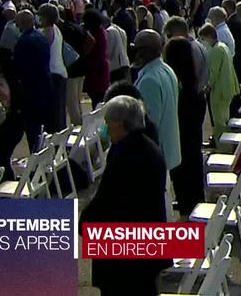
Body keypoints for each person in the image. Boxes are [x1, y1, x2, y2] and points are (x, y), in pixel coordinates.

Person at [79, 95, 170, 295]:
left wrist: (84, 222)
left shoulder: (123, 152)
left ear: (120, 125)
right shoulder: (151, 147)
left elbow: (107, 199)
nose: (106, 128)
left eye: (108, 123)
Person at [133, 29, 181, 214]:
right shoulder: (166, 70)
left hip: (155, 153)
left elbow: (148, 125)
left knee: (158, 207)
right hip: (167, 148)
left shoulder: (149, 80)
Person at [162, 37, 205, 216]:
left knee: (183, 175)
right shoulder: (193, 85)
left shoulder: (177, 87)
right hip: (193, 140)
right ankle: (194, 202)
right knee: (194, 167)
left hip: (181, 141)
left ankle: (188, 209)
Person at [12, 10, 53, 151]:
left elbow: (21, 70)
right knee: (44, 128)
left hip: (31, 90)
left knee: (33, 130)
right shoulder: (41, 37)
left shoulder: (23, 42)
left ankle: (36, 161)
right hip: (46, 85)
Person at [198, 24, 240, 143]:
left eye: (203, 39)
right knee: (224, 117)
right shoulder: (222, 47)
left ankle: (222, 145)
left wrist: (207, 86)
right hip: (228, 87)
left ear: (209, 36)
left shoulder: (215, 50)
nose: (203, 42)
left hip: (220, 90)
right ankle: (222, 142)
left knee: (219, 121)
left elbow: (213, 72)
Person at [38, 4, 68, 133]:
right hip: (60, 72)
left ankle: (54, 143)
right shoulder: (56, 29)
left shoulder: (48, 31)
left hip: (54, 73)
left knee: (53, 115)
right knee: (59, 112)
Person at [104, 15, 130, 84]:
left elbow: (108, 50)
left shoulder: (109, 31)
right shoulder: (120, 29)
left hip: (116, 65)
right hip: (124, 62)